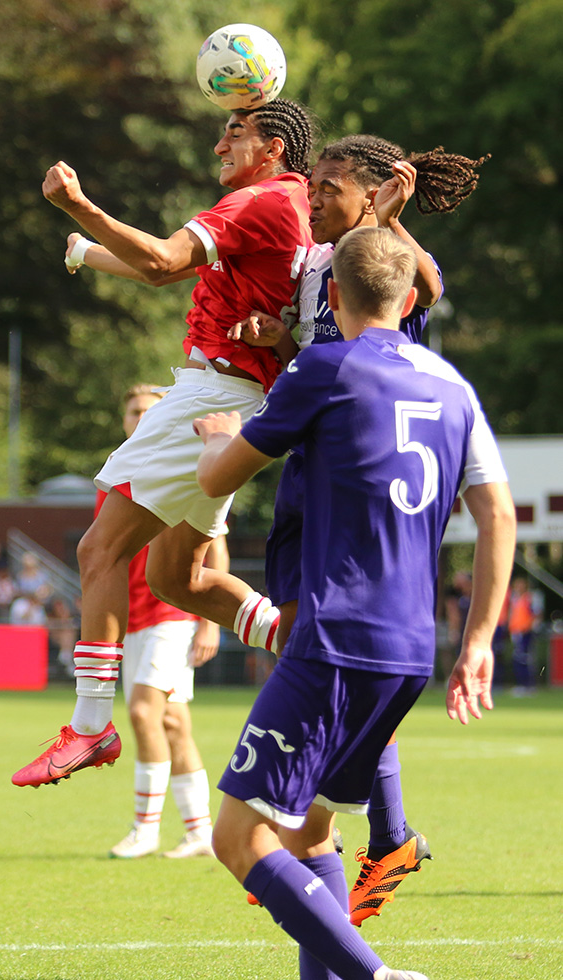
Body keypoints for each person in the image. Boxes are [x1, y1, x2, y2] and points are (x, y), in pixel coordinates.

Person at [193, 226, 516, 980]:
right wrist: (477, 643)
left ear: (330, 296)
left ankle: (372, 976)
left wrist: (217, 434)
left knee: (238, 837)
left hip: (333, 637)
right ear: (408, 300)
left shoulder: (324, 368)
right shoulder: (452, 387)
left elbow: (217, 479)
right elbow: (497, 516)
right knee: (311, 834)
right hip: (410, 651)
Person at [12, 98, 315, 788]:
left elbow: (160, 262)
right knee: (178, 578)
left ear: (272, 149)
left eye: (232, 133)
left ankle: (89, 726)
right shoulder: (290, 206)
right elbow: (178, 270)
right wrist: (89, 253)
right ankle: (307, 647)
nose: (218, 148)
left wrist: (77, 206)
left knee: (99, 547)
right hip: (237, 400)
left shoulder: (260, 202)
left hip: (212, 398)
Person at [230, 134, 487, 928]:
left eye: (330, 187)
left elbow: (426, 283)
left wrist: (391, 221)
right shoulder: (316, 262)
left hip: (355, 481)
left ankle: (365, 841)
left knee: (325, 648)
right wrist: (276, 340)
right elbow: (312, 342)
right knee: (316, 649)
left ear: (374, 192)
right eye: (311, 185)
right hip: (313, 473)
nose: (312, 197)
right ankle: (371, 837)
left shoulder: (381, 259)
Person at [108, 384, 223, 860]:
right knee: (173, 722)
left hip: (169, 614)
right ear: (123, 419)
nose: (139, 418)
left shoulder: (182, 462)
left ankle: (145, 829)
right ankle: (200, 832)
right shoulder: (118, 470)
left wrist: (210, 622)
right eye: (133, 410)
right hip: (135, 618)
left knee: (141, 713)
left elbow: (214, 540)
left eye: (147, 412)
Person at [508, 576, 542, 696]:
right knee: (518, 659)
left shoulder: (529, 598)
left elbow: (536, 615)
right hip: (517, 632)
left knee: (525, 659)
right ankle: (522, 684)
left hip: (525, 632)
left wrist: (531, 628)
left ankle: (527, 685)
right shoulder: (515, 598)